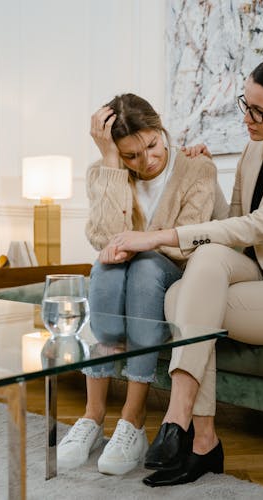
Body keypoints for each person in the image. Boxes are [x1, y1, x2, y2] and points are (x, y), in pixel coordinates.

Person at [102, 52, 263, 486]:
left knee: (183, 298)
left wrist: (159, 237)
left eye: (259, 110)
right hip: (257, 272)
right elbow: (233, 224)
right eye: (245, 104)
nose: (248, 117)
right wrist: (208, 174)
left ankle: (182, 422)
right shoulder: (253, 151)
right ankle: (201, 439)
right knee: (191, 279)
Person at [57, 93, 221, 476]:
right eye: (131, 155)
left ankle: (132, 419)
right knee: (104, 268)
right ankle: (93, 417)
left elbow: (186, 243)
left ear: (162, 129)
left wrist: (138, 242)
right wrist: (112, 163)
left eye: (152, 144)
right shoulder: (104, 170)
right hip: (121, 279)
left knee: (145, 265)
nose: (147, 160)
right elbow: (105, 239)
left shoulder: (198, 167)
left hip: (172, 276)